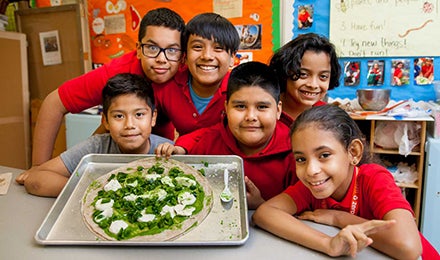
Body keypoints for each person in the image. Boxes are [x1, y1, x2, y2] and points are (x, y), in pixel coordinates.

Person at [252, 105, 439, 259]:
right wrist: (327, 244)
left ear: (353, 152)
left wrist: (338, 218)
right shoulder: (312, 186)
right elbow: (265, 213)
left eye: (324, 155)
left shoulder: (374, 179)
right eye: (301, 159)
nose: (311, 170)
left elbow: (409, 247)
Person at [31, 7, 185, 166]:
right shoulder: (117, 72)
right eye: (152, 48)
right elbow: (53, 103)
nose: (162, 58)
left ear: (182, 56)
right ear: (139, 50)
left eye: (172, 50)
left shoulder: (188, 75)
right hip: (118, 149)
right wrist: (37, 168)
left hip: (161, 149)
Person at [156, 62, 298, 209]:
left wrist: (260, 206)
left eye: (262, 107)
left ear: (278, 110)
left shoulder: (295, 153)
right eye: (240, 106)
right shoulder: (208, 144)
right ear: (226, 108)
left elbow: (302, 213)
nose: (251, 116)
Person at [16, 73, 174, 197]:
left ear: (153, 118)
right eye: (119, 116)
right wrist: (93, 190)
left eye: (139, 114)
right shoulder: (96, 147)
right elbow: (36, 179)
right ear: (105, 121)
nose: (129, 125)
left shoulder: (167, 151)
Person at [152, 12, 240, 137]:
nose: (207, 56)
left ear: (232, 57)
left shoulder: (240, 90)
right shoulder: (166, 86)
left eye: (218, 48)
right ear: (185, 55)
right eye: (198, 47)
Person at [269, 33, 341, 127]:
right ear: (285, 72)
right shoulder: (267, 114)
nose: (313, 85)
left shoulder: (328, 117)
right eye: (303, 74)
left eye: (323, 76)